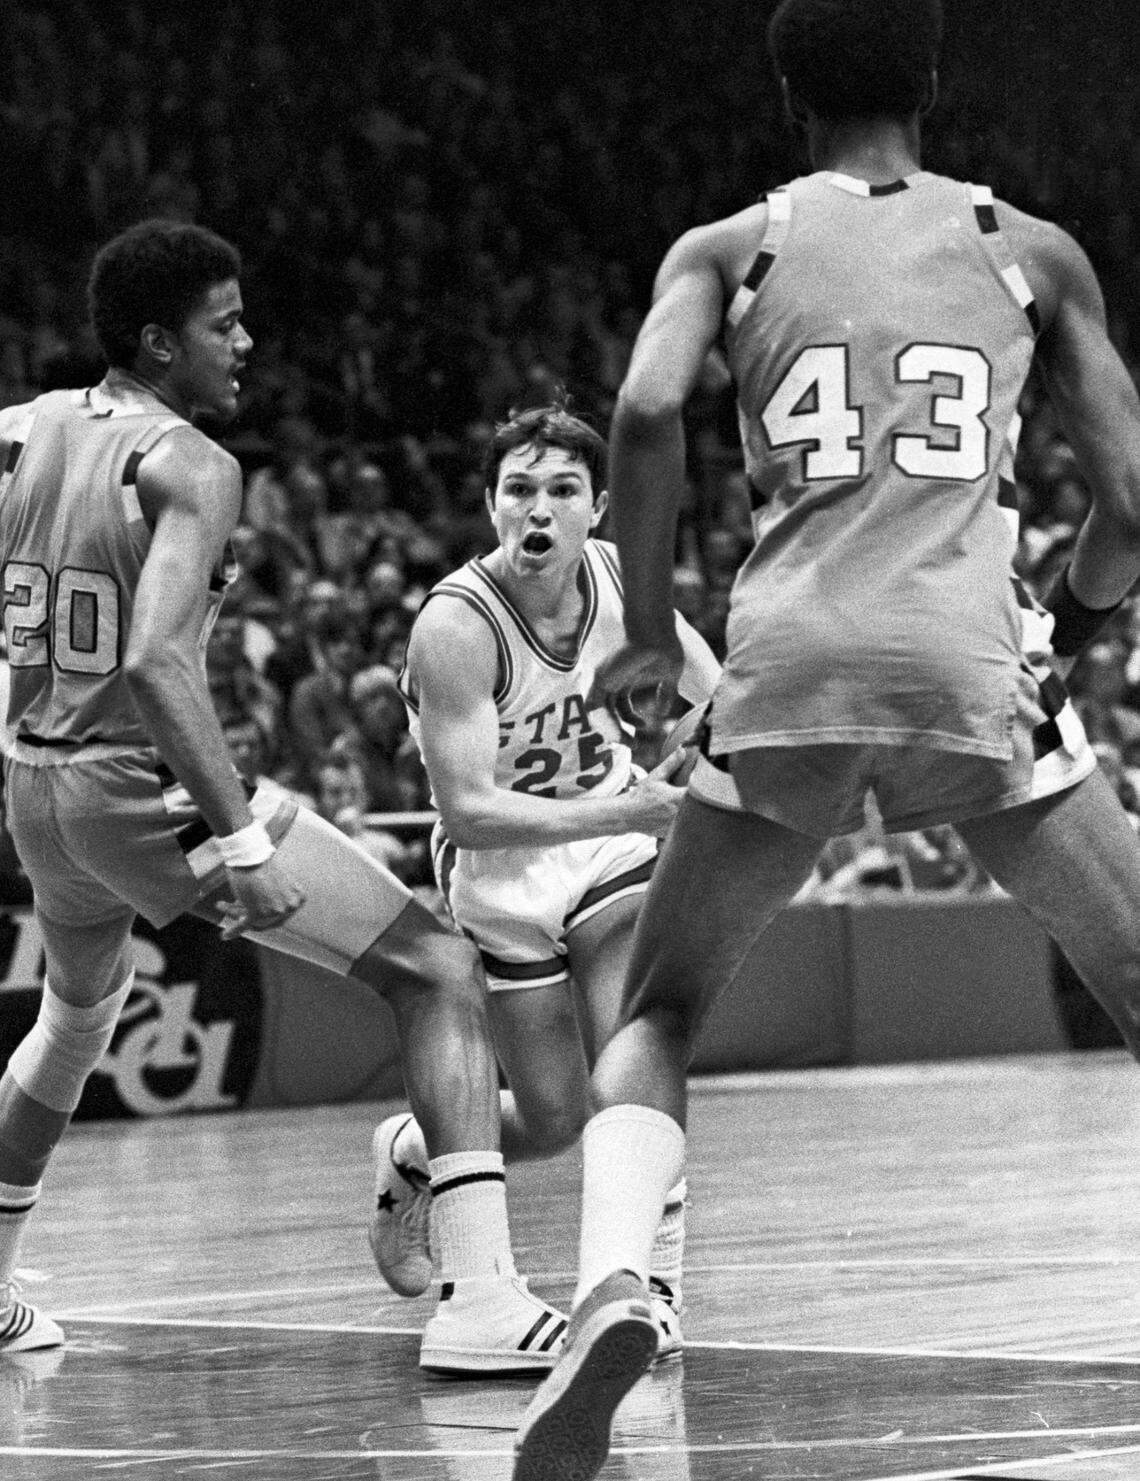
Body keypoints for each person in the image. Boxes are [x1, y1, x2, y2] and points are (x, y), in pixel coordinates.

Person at [512, 1, 1140, 1476]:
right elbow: (1131, 504)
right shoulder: (1027, 248)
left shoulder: (730, 247)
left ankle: (616, 1285)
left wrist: (646, 625)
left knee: (661, 1012)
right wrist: (1070, 620)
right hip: (967, 662)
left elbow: (643, 408)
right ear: (933, 80)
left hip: (789, 666)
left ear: (788, 90)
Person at [0, 218, 564, 1373]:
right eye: (225, 323)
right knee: (436, 968)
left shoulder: (19, 428)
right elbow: (156, 661)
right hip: (142, 787)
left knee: (75, 1019)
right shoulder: (194, 464)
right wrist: (243, 838)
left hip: (36, 781)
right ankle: (480, 1297)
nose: (247, 341)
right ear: (160, 343)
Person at [366, 403, 720, 1361]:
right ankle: (414, 1151)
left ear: (597, 507)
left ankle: (654, 1286)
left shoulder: (621, 578)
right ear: (490, 504)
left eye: (563, 489)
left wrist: (698, 756)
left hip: (609, 854)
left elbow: (714, 687)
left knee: (635, 1053)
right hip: (503, 867)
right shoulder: (456, 624)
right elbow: (470, 813)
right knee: (557, 1114)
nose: (540, 507)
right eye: (519, 488)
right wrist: (632, 808)